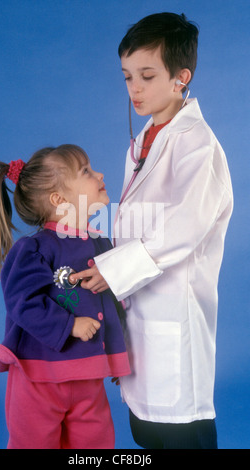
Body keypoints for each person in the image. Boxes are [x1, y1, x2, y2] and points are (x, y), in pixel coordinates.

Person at [70, 13, 233, 449]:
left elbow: (184, 226)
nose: (134, 89)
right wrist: (77, 223)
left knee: (180, 433)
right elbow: (140, 219)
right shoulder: (147, 138)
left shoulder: (197, 144)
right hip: (141, 314)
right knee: (146, 430)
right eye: (127, 77)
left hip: (174, 317)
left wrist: (114, 268)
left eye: (146, 75)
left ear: (182, 77)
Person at [0, 144, 130, 449]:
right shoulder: (36, 248)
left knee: (96, 444)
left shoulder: (99, 243)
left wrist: (116, 357)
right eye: (86, 171)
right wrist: (70, 325)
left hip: (88, 377)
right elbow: (21, 302)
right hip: (39, 376)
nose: (100, 174)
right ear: (59, 200)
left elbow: (111, 302)